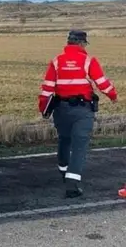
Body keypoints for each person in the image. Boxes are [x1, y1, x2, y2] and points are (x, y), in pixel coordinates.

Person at [38, 30, 118, 198]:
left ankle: (64, 170)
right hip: (82, 110)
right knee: (79, 146)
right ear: (82, 43)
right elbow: (102, 83)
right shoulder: (88, 61)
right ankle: (72, 185)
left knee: (64, 139)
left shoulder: (56, 61)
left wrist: (43, 108)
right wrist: (112, 95)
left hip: (61, 109)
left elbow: (47, 88)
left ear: (68, 43)